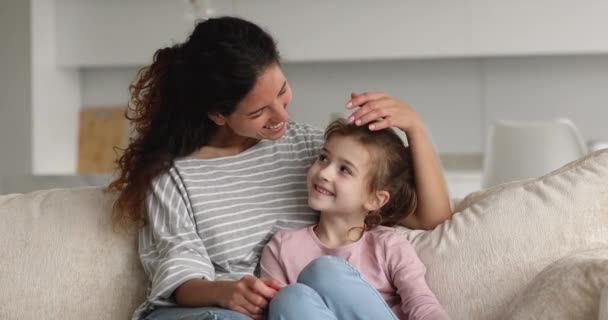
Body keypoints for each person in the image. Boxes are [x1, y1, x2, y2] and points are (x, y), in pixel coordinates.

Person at [107, 16, 451, 320]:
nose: (283, 117)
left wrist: (414, 128)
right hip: (206, 310)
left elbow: (428, 218)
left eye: (283, 92)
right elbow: (177, 274)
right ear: (218, 115)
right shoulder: (173, 176)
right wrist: (227, 292)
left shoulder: (313, 150)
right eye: (259, 113)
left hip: (291, 306)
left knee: (312, 283)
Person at [260, 119, 450, 320]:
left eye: (345, 170)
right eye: (323, 158)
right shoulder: (281, 247)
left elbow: (421, 303)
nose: (324, 172)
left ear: (374, 199)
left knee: (324, 273)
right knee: (287, 299)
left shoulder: (388, 244)